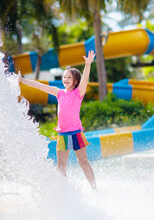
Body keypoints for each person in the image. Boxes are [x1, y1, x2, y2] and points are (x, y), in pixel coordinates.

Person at [17, 50, 97, 190]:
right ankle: (64, 192)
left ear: (75, 81)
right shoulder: (59, 93)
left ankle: (94, 188)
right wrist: (22, 80)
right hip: (63, 134)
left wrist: (88, 64)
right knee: (61, 167)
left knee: (83, 162)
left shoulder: (78, 93)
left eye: (69, 78)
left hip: (76, 133)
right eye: (64, 77)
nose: (65, 80)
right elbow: (40, 86)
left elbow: (85, 80)